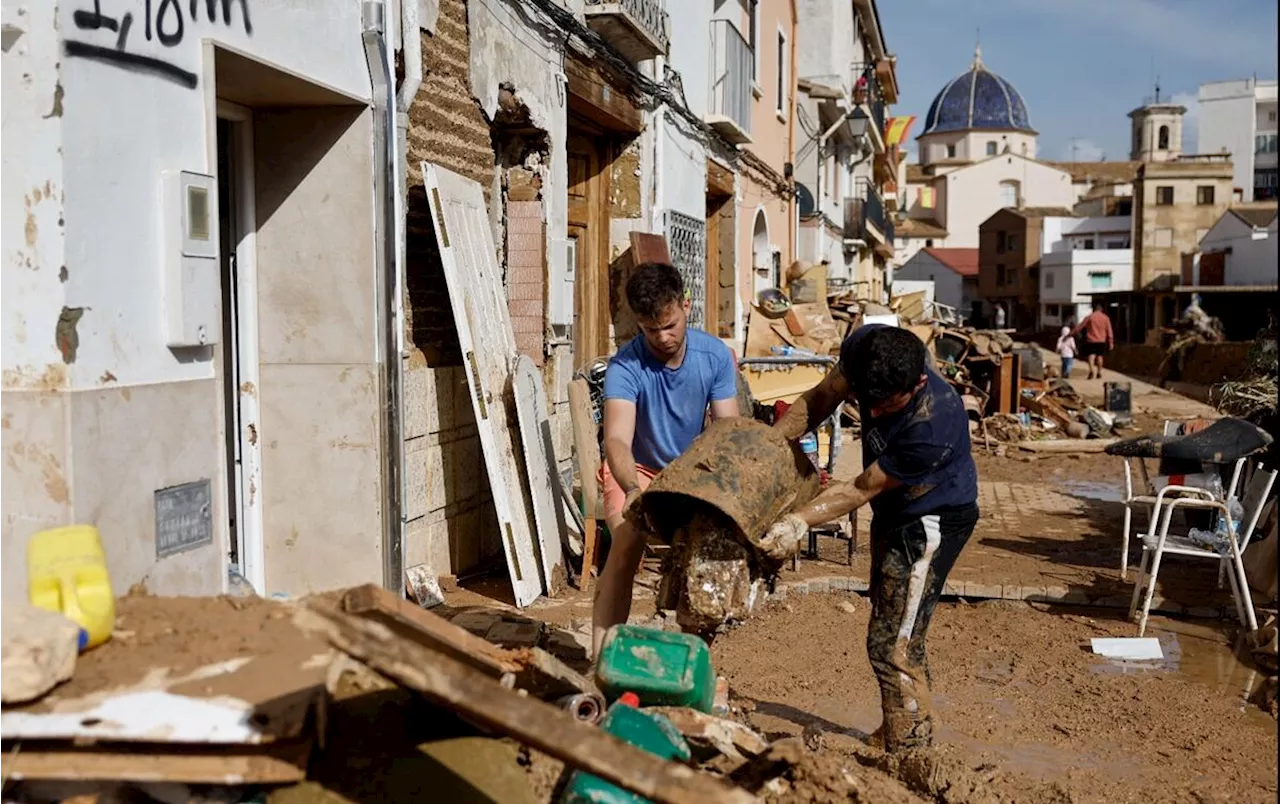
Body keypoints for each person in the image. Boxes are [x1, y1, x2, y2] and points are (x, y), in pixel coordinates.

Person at [768, 324, 978, 752]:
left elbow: (862, 487)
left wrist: (799, 522)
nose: (875, 414)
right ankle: (901, 727)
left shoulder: (934, 424)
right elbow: (823, 396)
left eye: (886, 405)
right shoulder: (867, 347)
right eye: (867, 401)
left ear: (918, 382)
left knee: (895, 641)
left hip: (930, 521)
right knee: (887, 621)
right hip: (896, 511)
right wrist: (771, 445)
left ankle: (910, 751)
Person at [592, 262, 740, 657]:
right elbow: (618, 441)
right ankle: (602, 660)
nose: (662, 337)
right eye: (650, 329)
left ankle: (690, 660)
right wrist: (632, 491)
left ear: (685, 305)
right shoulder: (625, 366)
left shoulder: (716, 356)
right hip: (636, 470)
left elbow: (727, 432)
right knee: (625, 539)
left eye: (669, 324)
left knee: (709, 552)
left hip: (691, 471)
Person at [1073, 302, 1114, 379]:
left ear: (1093, 309)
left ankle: (1091, 370)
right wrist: (1111, 342)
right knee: (1100, 356)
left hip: (1091, 340)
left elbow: (1080, 327)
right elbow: (1109, 331)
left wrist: (1071, 333)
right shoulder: (1106, 318)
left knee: (1091, 356)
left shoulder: (1090, 317)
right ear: (1101, 309)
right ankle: (1099, 372)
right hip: (1101, 340)